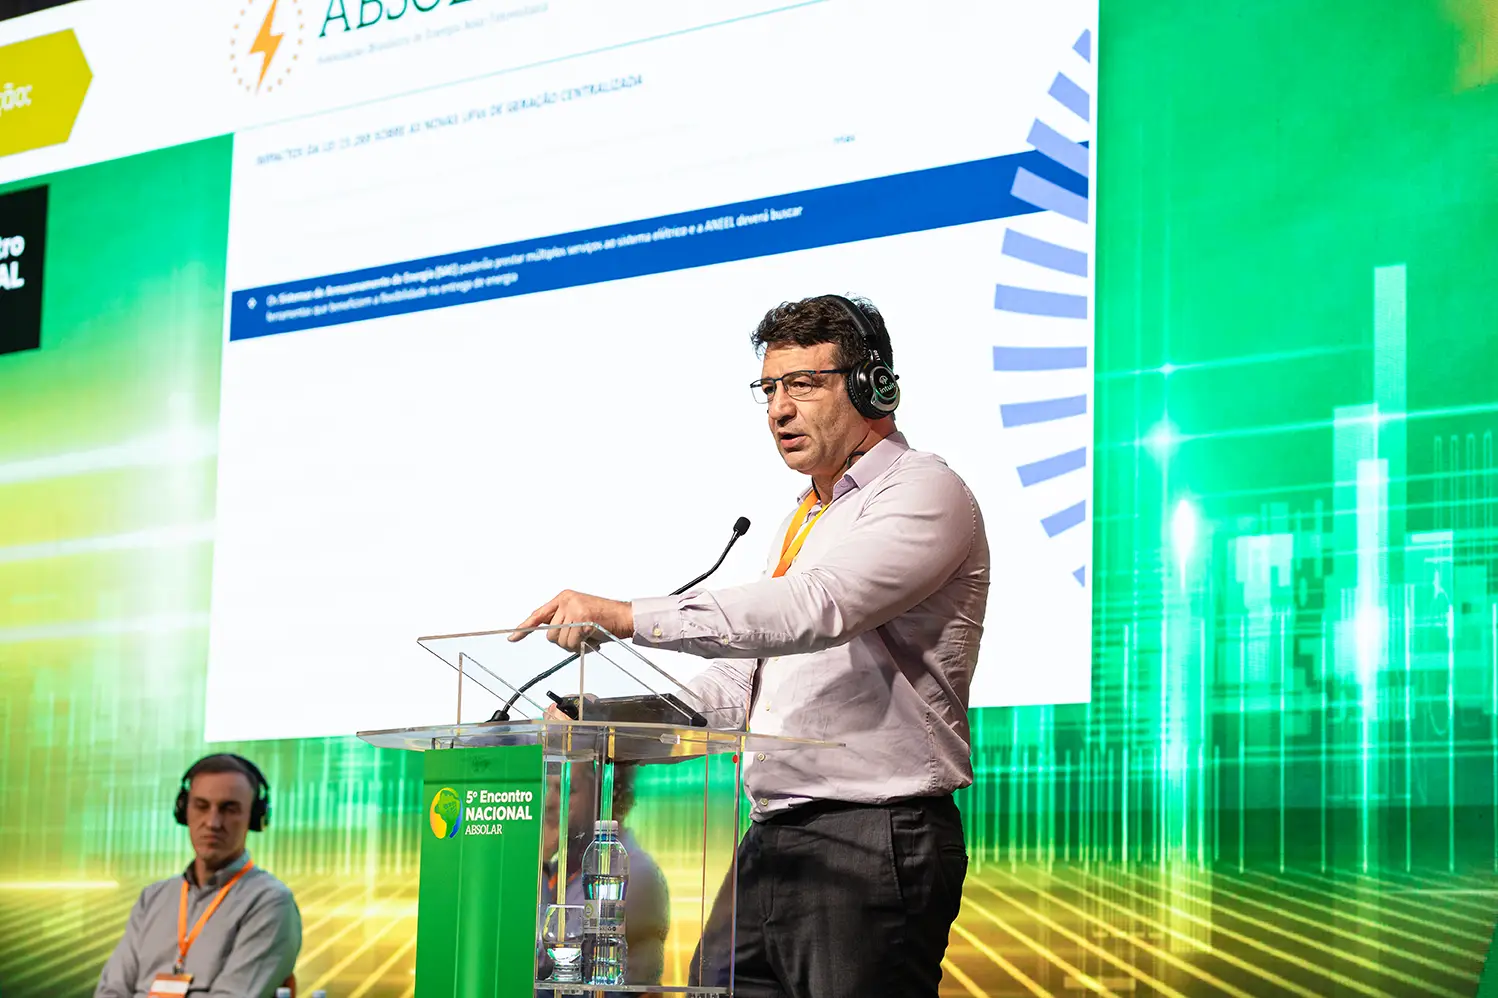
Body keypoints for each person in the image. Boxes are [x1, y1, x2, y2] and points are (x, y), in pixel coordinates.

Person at [512, 294, 989, 998]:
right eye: (768, 389)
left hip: (872, 833)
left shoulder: (924, 491)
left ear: (872, 385)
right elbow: (741, 690)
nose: (779, 410)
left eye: (803, 384)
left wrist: (626, 616)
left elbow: (818, 608)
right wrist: (605, 722)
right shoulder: (806, 519)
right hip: (770, 835)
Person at [96, 754, 302, 998]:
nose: (213, 823)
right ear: (184, 811)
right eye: (201, 806)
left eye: (229, 809)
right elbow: (111, 991)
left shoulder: (270, 903)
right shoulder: (152, 898)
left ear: (254, 817)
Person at [536, 761, 669, 991]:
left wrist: (541, 862)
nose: (549, 802)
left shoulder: (636, 873)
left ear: (603, 799)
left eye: (567, 790)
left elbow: (548, 961)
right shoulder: (566, 868)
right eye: (549, 788)